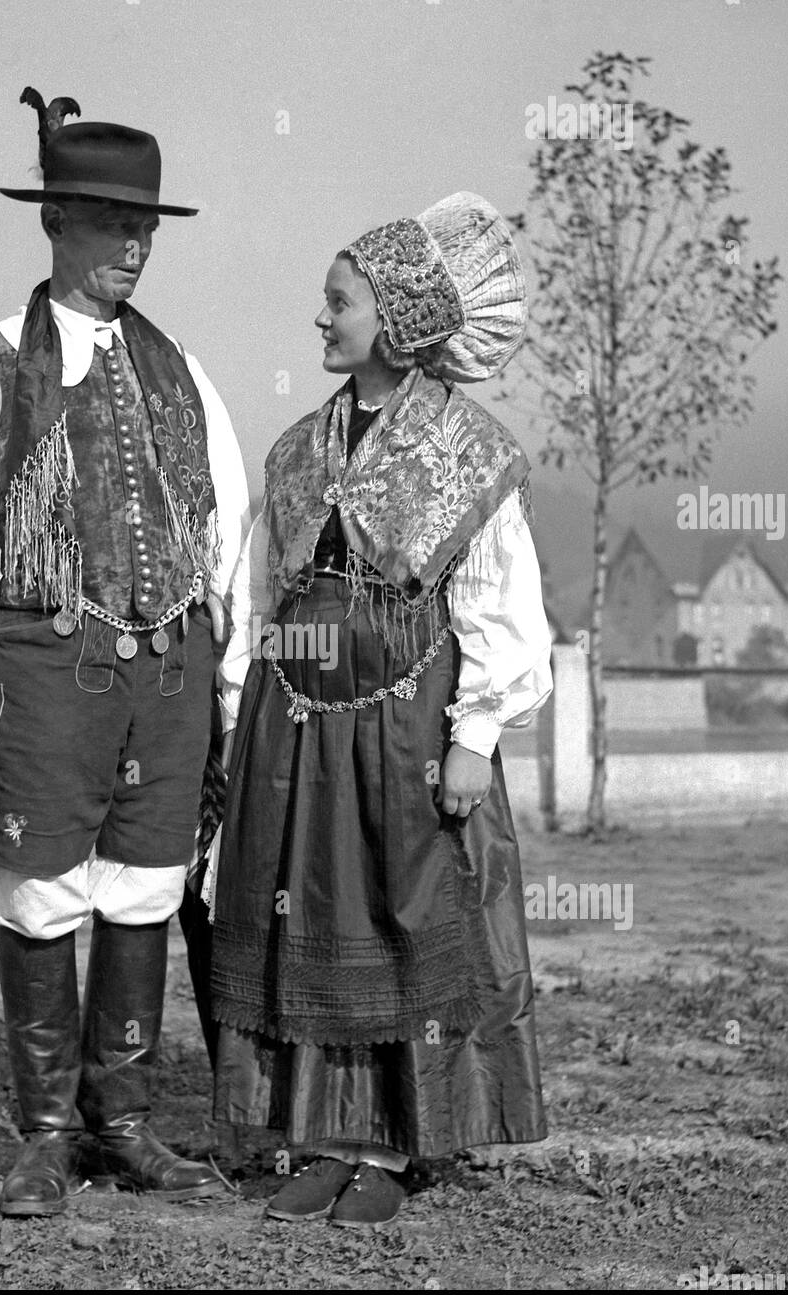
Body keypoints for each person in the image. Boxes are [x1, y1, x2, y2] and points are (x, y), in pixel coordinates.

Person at [0, 88, 250, 1215]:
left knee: (141, 888)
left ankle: (120, 1124)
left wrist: (225, 670)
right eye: (111, 225)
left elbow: (231, 533)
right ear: (56, 224)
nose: (132, 247)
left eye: (146, 229)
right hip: (50, 664)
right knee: (40, 890)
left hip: (171, 669)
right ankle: (42, 1134)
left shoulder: (184, 371)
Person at [207, 192, 551, 1228]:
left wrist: (475, 736)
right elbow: (256, 590)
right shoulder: (296, 448)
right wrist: (240, 709)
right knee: (301, 914)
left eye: (339, 302)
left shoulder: (466, 451)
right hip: (295, 727)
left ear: (394, 320)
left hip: (407, 727)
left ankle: (396, 1145)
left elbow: (498, 600)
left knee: (403, 919)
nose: (321, 319)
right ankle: (312, 1136)